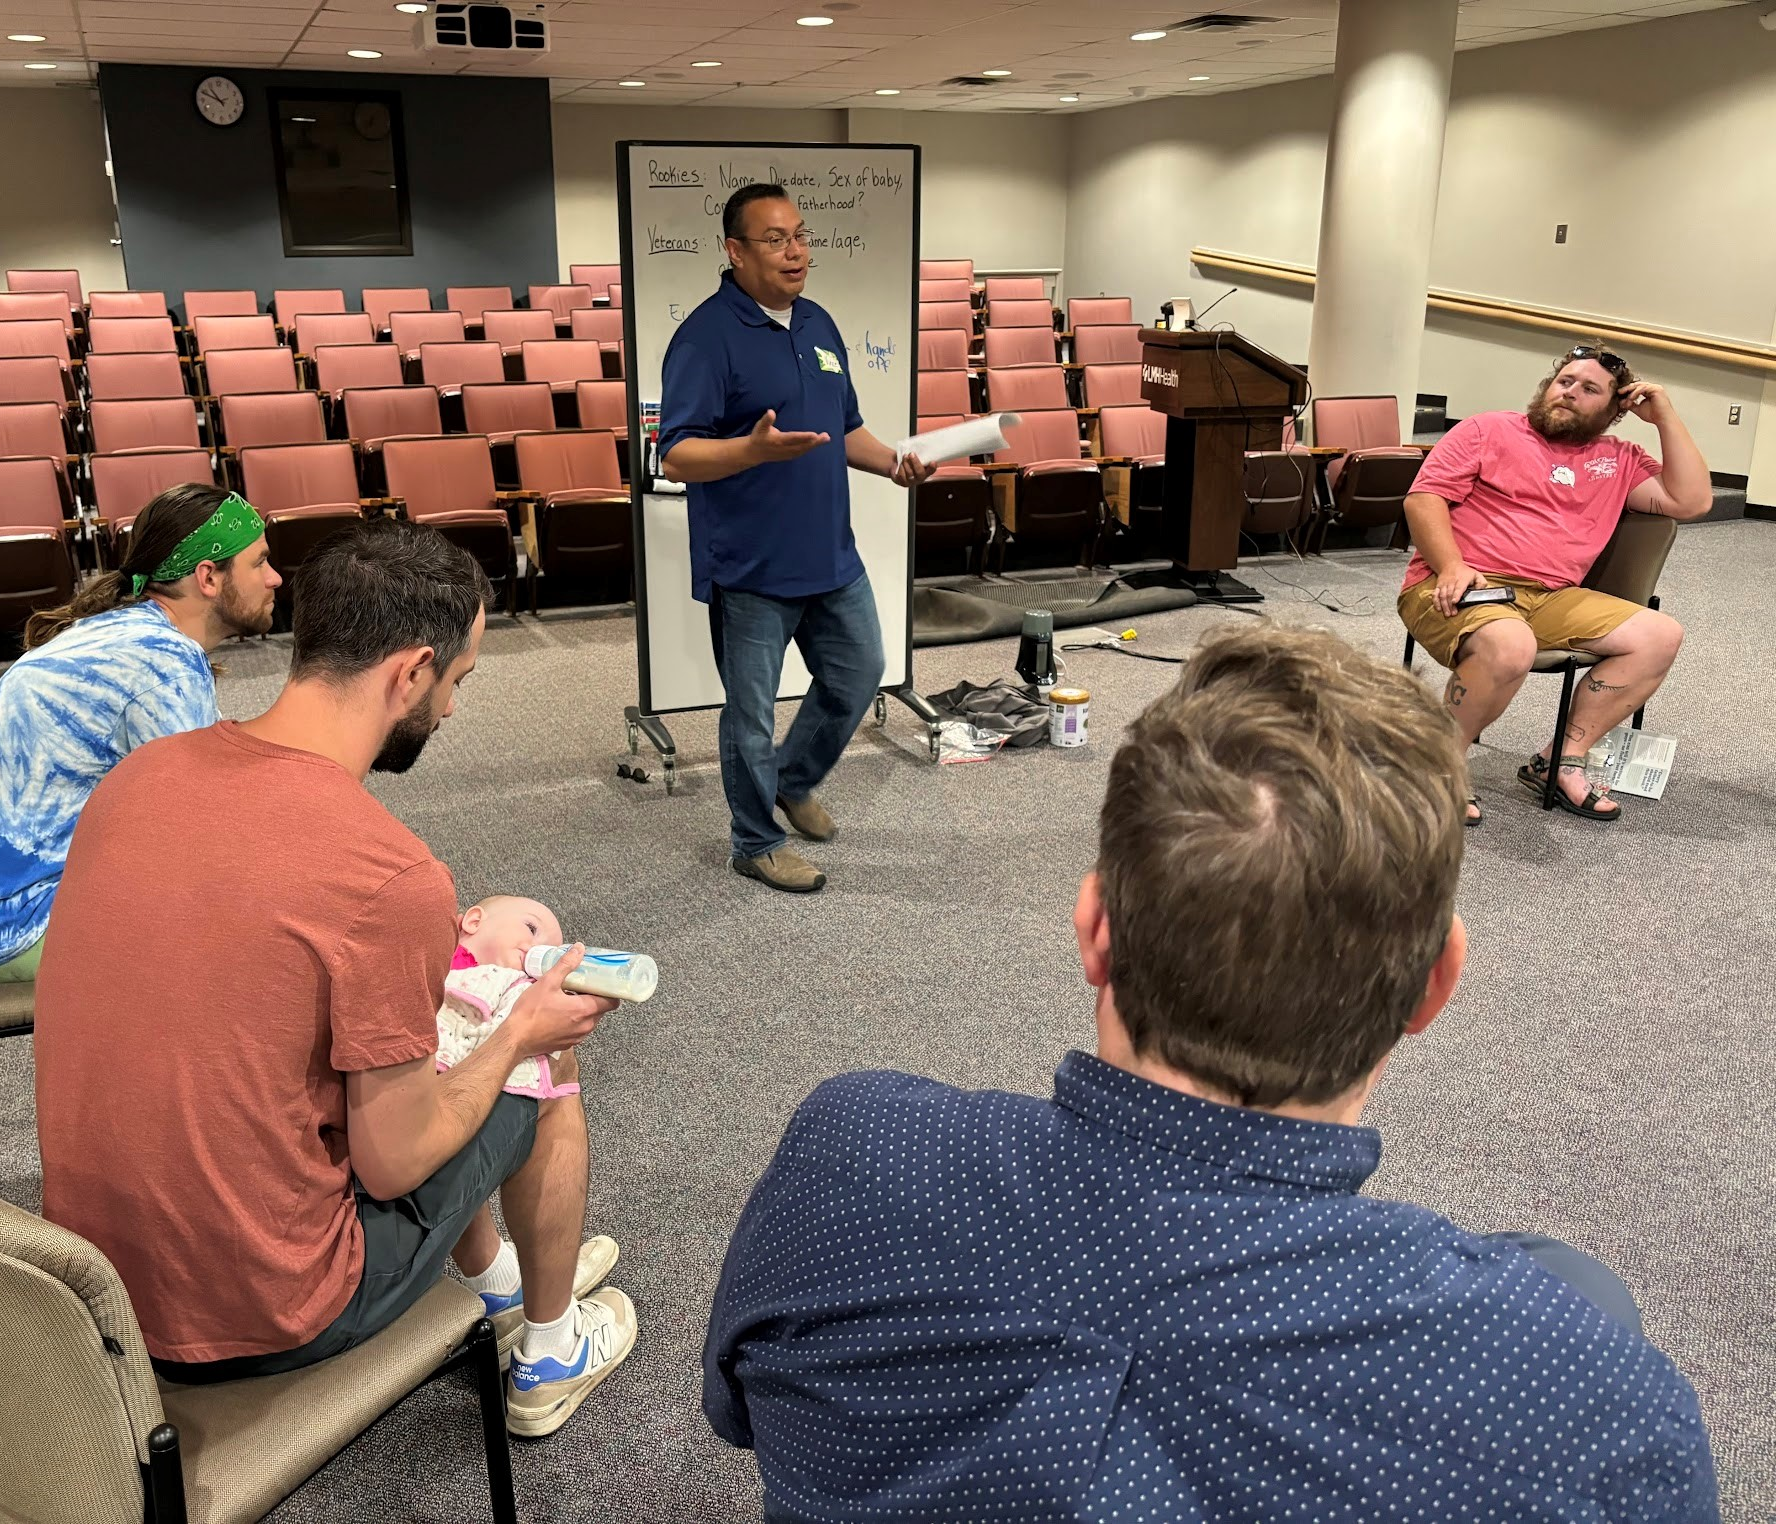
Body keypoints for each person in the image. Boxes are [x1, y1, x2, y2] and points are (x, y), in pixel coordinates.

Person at [703, 624, 1717, 1522]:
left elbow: (736, 1413)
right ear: (1432, 985)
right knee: (1574, 1285)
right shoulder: (1590, 1405)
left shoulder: (850, 1150)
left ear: (1095, 930)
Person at [35, 520, 637, 1439]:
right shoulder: (389, 877)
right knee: (537, 1073)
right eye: (457, 683)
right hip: (265, 1320)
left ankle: (496, 1281)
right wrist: (519, 1030)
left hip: (91, 1294)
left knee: (428, 1053)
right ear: (410, 672)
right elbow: (395, 1159)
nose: (451, 711)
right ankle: (551, 1353)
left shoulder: (140, 777)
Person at [659, 182, 933, 894]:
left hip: (830, 556)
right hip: (749, 567)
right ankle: (754, 841)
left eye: (801, 236)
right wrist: (748, 451)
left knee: (858, 673)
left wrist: (893, 462)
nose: (796, 251)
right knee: (750, 714)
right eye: (776, 239)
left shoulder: (816, 322)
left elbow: (842, 428)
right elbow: (676, 455)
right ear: (735, 251)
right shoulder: (704, 337)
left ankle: (792, 779)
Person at [0, 484, 281, 981]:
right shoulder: (165, 663)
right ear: (208, 577)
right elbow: (204, 828)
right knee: (251, 926)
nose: (276, 578)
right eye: (260, 563)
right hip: (9, 927)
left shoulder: (130, 628)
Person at [1399, 344, 1710, 825]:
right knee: (1509, 643)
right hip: (1458, 582)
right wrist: (1452, 564)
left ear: (1614, 410)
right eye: (1565, 381)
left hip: (1552, 597)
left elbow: (1691, 502)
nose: (1569, 392)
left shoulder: (1619, 458)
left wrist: (1665, 416)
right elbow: (1424, 499)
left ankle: (1560, 759)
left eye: (1590, 389)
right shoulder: (1488, 429)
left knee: (1660, 635)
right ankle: (1439, 764)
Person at [437, 894, 579, 1100]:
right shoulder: (434, 951)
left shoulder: (517, 988)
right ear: (474, 921)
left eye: (548, 952)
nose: (538, 949)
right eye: (531, 928)